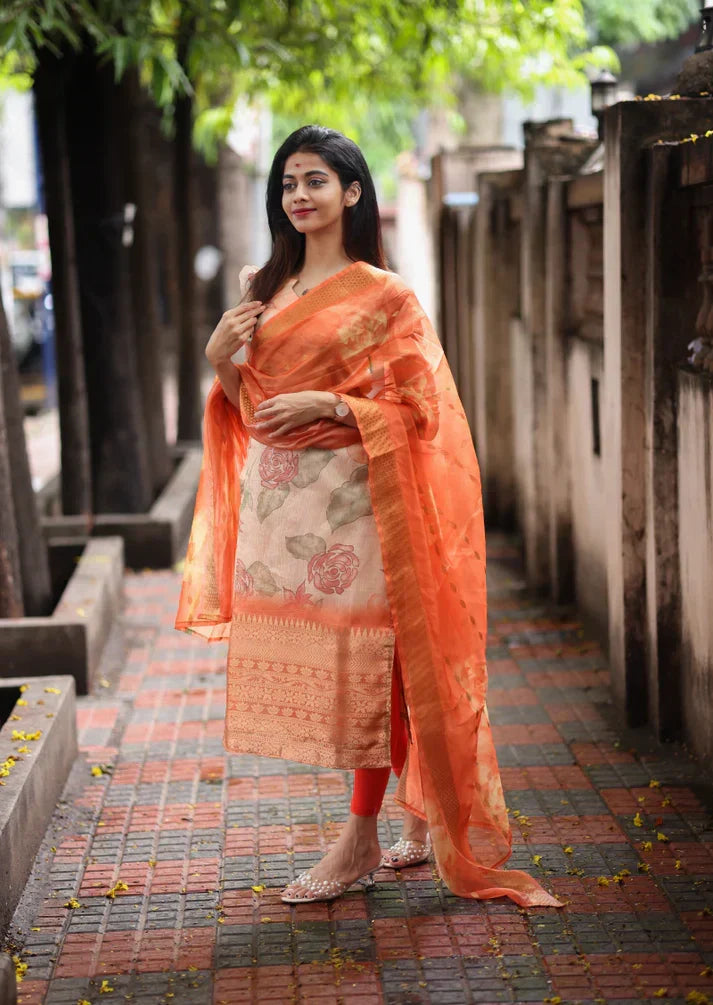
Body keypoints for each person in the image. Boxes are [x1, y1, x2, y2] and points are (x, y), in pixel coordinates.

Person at [175, 124, 563, 909]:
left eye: (315, 180)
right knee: (358, 666)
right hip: (286, 506)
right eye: (288, 183)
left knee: (375, 663)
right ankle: (415, 810)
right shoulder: (260, 287)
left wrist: (333, 404)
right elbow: (252, 411)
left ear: (352, 191)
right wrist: (219, 358)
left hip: (365, 496)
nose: (298, 195)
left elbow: (421, 408)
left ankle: (359, 836)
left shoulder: (386, 296)